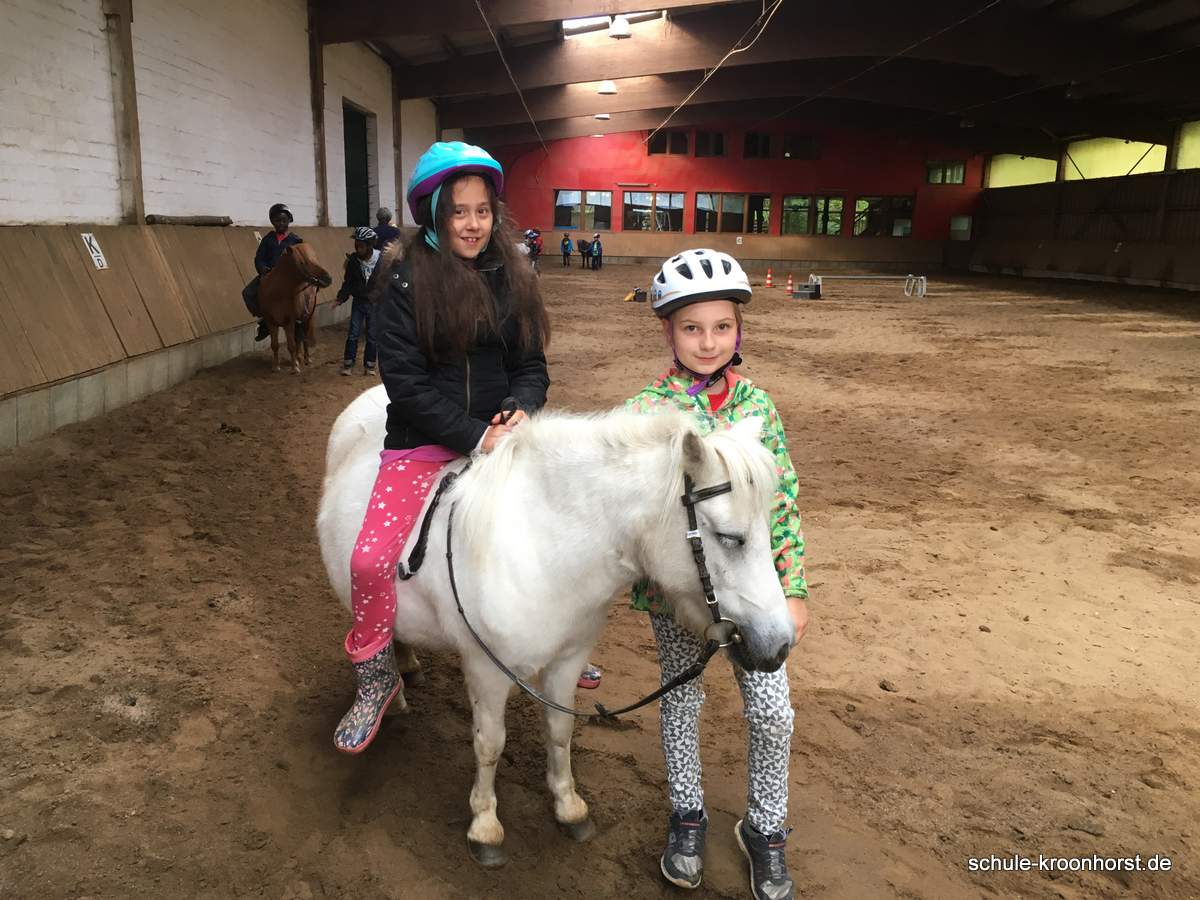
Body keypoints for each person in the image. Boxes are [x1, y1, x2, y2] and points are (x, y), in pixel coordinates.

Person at [333, 141, 551, 754]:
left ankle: (551, 641)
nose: (474, 224)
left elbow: (530, 365)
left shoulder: (513, 277)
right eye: (460, 212)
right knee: (369, 561)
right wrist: (473, 435)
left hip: (502, 436)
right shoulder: (403, 282)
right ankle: (375, 674)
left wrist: (521, 408)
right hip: (423, 440)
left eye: (483, 211)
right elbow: (405, 385)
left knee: (557, 540)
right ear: (434, 213)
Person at [628, 248, 809, 900]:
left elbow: (781, 506)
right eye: (692, 328)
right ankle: (687, 815)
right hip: (677, 597)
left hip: (750, 590)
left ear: (739, 329)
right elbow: (633, 516)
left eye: (722, 327)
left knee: (772, 710)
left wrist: (793, 588)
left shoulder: (758, 406)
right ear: (668, 331)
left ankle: (765, 827)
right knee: (680, 702)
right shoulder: (645, 413)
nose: (708, 342)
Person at [243, 203, 303, 341]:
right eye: (277, 220)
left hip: (288, 277)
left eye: (284, 220)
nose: (281, 223)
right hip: (269, 276)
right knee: (248, 293)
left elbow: (300, 261)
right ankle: (264, 319)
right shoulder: (268, 239)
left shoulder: (296, 240)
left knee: (300, 294)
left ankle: (299, 322)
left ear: (289, 221)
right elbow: (259, 258)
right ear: (273, 222)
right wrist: (262, 268)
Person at [334, 226, 382, 376]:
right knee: (353, 334)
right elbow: (348, 282)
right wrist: (340, 298)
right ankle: (348, 364)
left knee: (372, 335)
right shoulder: (353, 261)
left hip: (374, 304)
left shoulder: (382, 260)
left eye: (361, 246)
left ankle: (370, 365)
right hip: (359, 303)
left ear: (370, 245)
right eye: (356, 246)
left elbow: (388, 281)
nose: (358, 249)